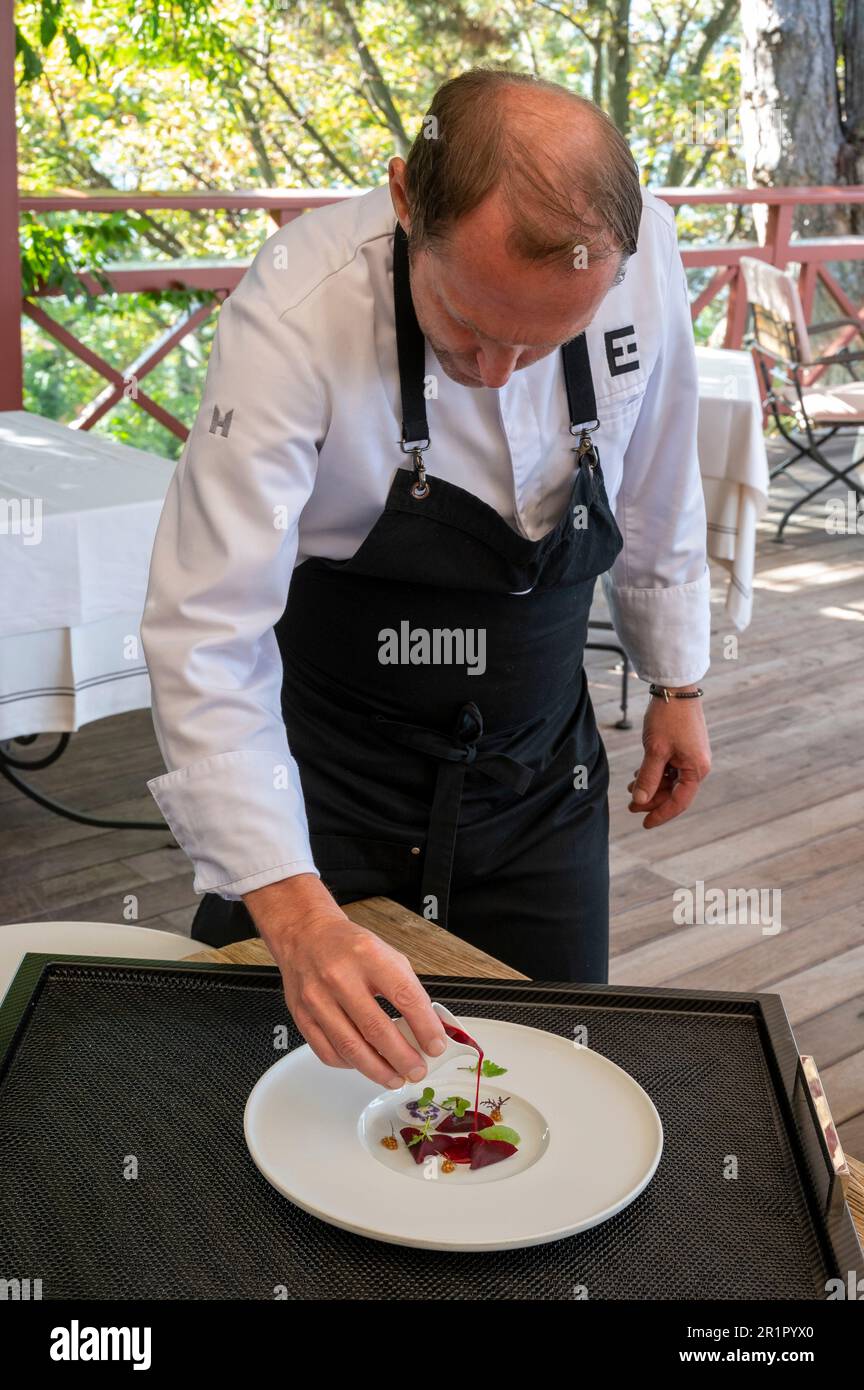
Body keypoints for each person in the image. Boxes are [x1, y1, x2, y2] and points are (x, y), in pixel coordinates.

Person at [141, 68, 711, 1092]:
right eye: (469, 326)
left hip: (543, 783)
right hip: (325, 796)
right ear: (407, 199)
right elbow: (205, 630)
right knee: (252, 1103)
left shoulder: (644, 252)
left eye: (548, 341)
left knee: (549, 1095)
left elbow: (664, 474)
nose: (500, 372)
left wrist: (677, 683)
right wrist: (298, 913)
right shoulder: (297, 311)